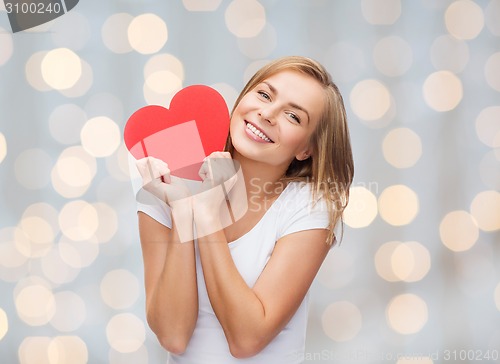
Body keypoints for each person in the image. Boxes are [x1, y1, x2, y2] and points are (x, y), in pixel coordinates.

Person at [134, 56, 354, 364]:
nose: (267, 114)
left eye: (293, 116)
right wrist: (184, 211)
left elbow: (246, 339)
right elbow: (173, 336)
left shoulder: (309, 206)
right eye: (264, 95)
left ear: (306, 149)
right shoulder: (166, 180)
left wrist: (208, 216)